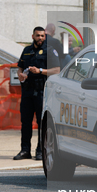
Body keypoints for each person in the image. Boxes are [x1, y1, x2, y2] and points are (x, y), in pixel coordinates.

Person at [14, 26, 60, 161]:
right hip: (27, 91)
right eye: (37, 35)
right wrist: (21, 76)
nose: (40, 38)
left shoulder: (50, 50)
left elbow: (57, 70)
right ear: (32, 36)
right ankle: (25, 150)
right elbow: (20, 67)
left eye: (42, 36)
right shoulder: (27, 50)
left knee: (41, 123)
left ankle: (41, 150)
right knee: (25, 122)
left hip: (42, 92)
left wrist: (40, 71)